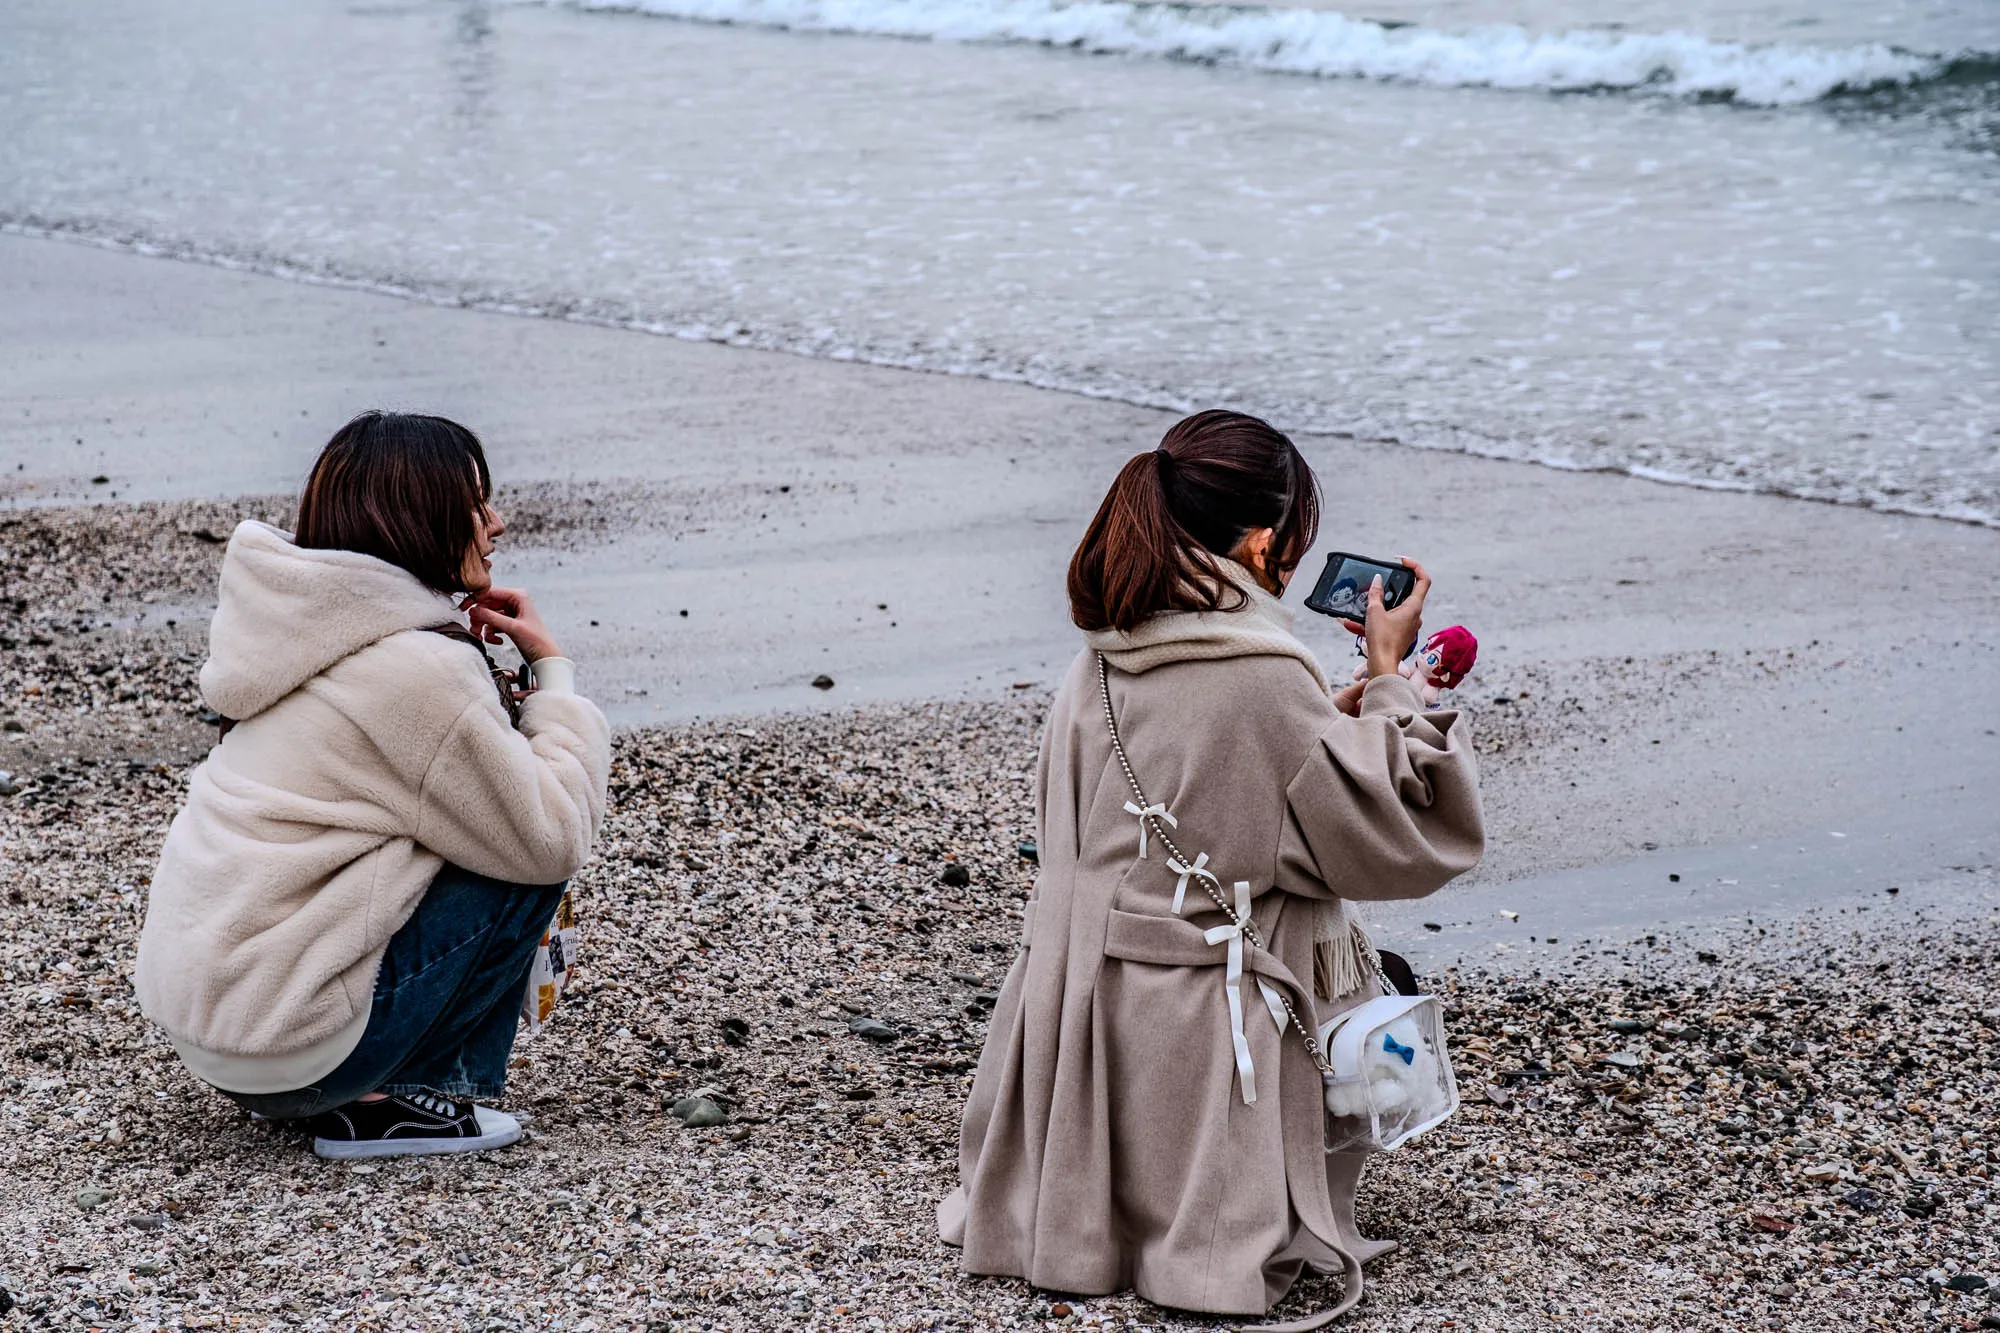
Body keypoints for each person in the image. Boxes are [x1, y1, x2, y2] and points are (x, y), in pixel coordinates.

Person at [939, 409, 1484, 1328]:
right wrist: (1392, 684)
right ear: (1265, 538)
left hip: (1081, 1008)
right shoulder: (1265, 677)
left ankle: (1088, 1208)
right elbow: (1398, 834)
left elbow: (1214, 774)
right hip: (1197, 1033)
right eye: (1294, 540)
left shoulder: (1109, 650)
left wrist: (1327, 714)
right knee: (1384, 979)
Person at [134, 412, 611, 1160]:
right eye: (477, 503)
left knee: (478, 819)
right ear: (421, 517)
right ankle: (396, 1100)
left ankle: (351, 1080)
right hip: (298, 1051)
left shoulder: (297, 633)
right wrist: (553, 672)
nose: (497, 522)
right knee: (520, 857)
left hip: (222, 1041)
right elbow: (550, 836)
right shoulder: (411, 668)